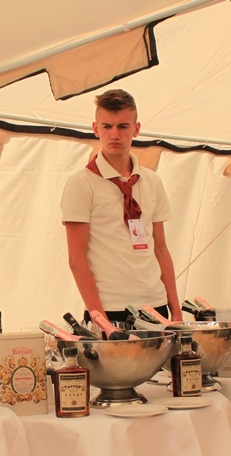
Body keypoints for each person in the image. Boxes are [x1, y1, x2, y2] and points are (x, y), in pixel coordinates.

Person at [61, 89, 183, 324]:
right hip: (110, 308)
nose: (114, 135)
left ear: (136, 129)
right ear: (96, 129)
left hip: (156, 305)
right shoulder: (81, 183)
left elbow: (160, 249)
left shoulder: (152, 181)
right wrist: (100, 319)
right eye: (107, 127)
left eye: (123, 126)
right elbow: (76, 259)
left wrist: (176, 310)